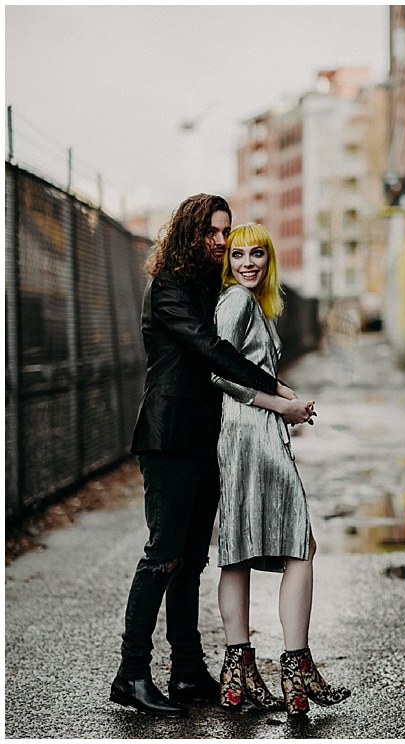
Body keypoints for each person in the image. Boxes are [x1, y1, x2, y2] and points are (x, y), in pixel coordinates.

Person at [113, 195, 305, 717]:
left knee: (191, 561)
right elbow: (213, 351)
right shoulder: (170, 289)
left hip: (204, 439)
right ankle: (131, 673)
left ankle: (188, 673)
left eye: (226, 233)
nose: (221, 242)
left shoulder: (207, 287)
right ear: (189, 234)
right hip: (169, 436)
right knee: (163, 555)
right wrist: (280, 391)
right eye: (212, 233)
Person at [210, 223, 350, 716]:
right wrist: (280, 406)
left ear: (269, 260)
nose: (248, 262)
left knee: (239, 545)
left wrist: (288, 396)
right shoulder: (236, 302)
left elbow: (249, 367)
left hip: (246, 430)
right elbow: (220, 369)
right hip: (253, 432)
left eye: (257, 254)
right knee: (299, 542)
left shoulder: (253, 306)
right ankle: (296, 669)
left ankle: (238, 671)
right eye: (238, 254)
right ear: (227, 262)